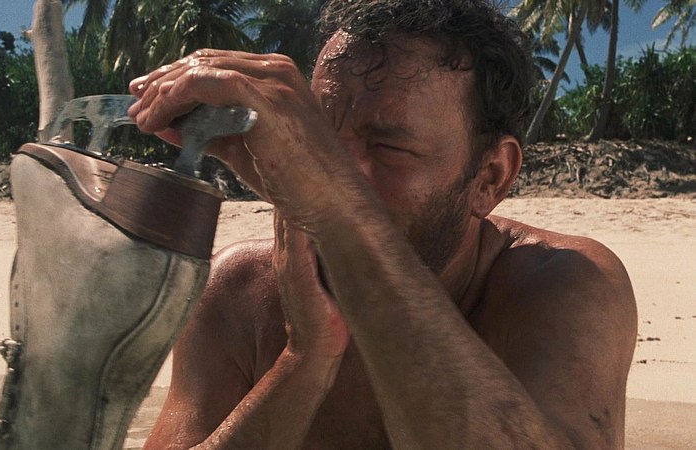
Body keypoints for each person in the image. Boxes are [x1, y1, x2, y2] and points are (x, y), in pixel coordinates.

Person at [127, 0, 638, 447]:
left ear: (491, 177)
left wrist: (342, 221)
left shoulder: (561, 284)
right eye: (319, 139)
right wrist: (305, 360)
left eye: (387, 146)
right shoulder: (239, 291)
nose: (332, 172)